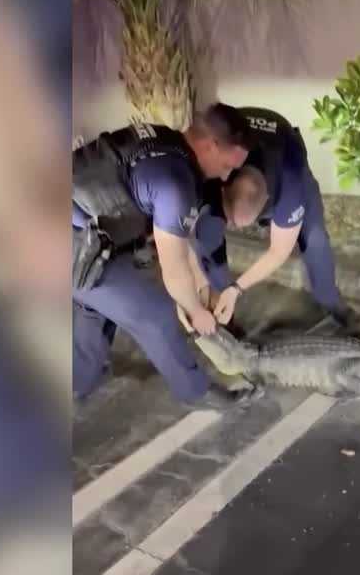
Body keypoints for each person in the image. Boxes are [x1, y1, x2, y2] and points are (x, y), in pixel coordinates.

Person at [72, 103, 258, 406]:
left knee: (95, 303)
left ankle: (78, 379)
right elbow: (173, 267)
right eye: (227, 166)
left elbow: (179, 241)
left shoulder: (166, 141)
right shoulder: (175, 182)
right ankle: (197, 392)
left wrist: (201, 290)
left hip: (71, 227)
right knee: (155, 314)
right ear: (211, 146)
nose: (226, 178)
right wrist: (196, 313)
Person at [190, 106, 360, 339]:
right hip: (242, 155)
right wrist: (200, 288)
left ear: (266, 203)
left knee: (316, 242)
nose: (232, 227)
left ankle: (337, 309)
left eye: (239, 223)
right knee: (208, 234)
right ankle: (223, 314)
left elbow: (278, 252)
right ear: (225, 185)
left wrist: (238, 288)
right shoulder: (216, 168)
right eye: (231, 221)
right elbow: (185, 236)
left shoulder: (290, 187)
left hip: (287, 155)